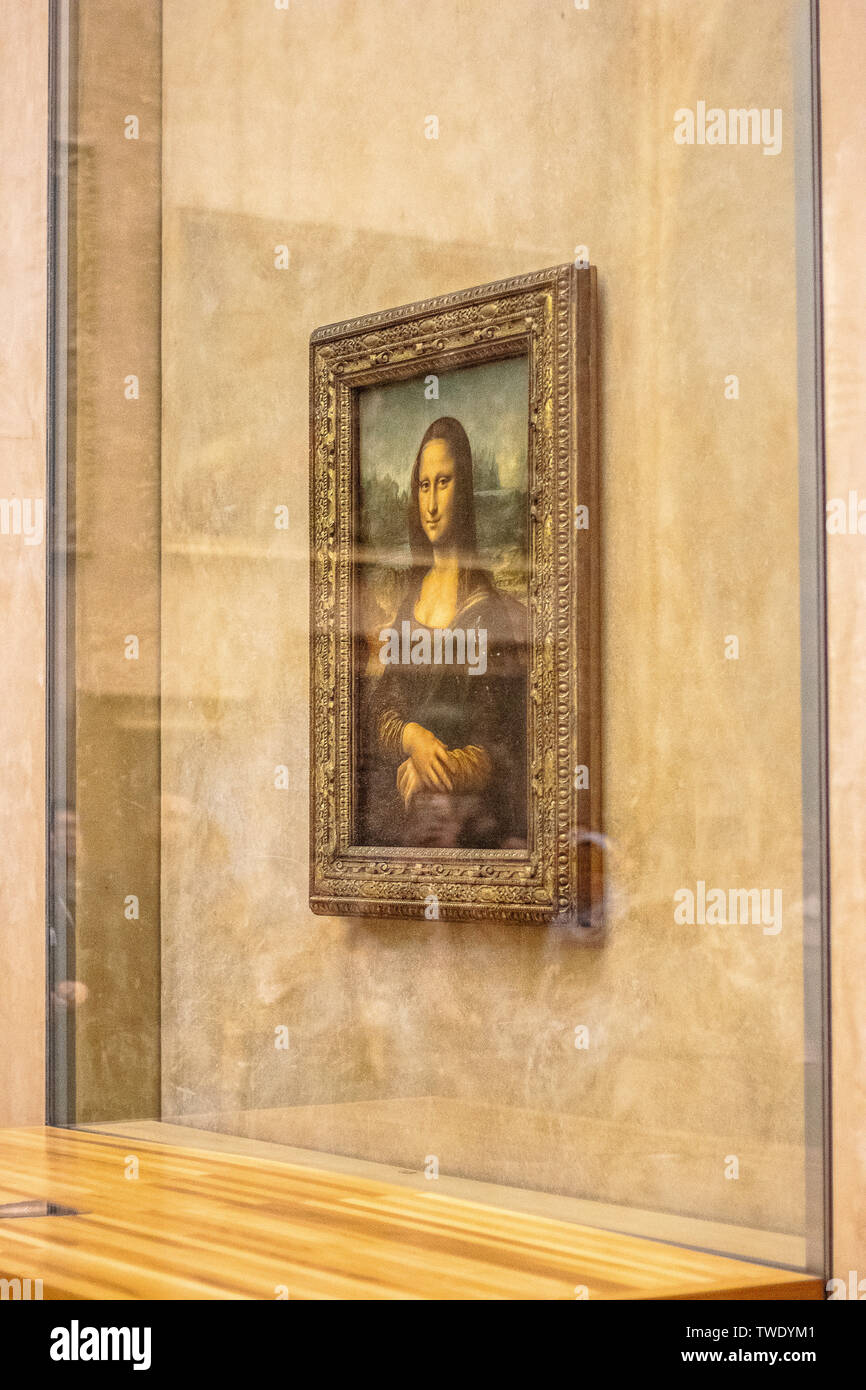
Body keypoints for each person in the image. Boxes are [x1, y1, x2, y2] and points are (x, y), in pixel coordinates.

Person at [363, 416, 526, 849]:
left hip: (467, 824)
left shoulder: (486, 609)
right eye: (423, 485)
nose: (432, 503)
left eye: (444, 483)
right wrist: (411, 737)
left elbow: (499, 740)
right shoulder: (410, 600)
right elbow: (382, 708)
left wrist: (436, 769)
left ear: (465, 489)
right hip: (402, 811)